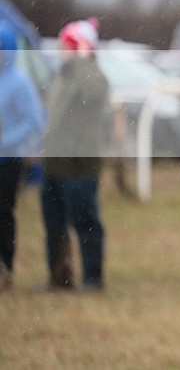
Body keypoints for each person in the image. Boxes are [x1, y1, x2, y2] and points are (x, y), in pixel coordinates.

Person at [41, 18, 110, 291]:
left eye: (66, 45)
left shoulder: (92, 75)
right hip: (55, 165)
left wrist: (83, 58)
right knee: (53, 224)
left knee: (85, 223)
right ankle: (59, 277)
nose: (61, 50)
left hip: (80, 166)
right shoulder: (62, 76)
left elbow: (94, 92)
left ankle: (93, 278)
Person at [0, 22, 46, 290]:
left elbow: (34, 121)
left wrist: (6, 142)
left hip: (8, 161)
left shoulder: (20, 82)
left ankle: (6, 267)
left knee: (3, 213)